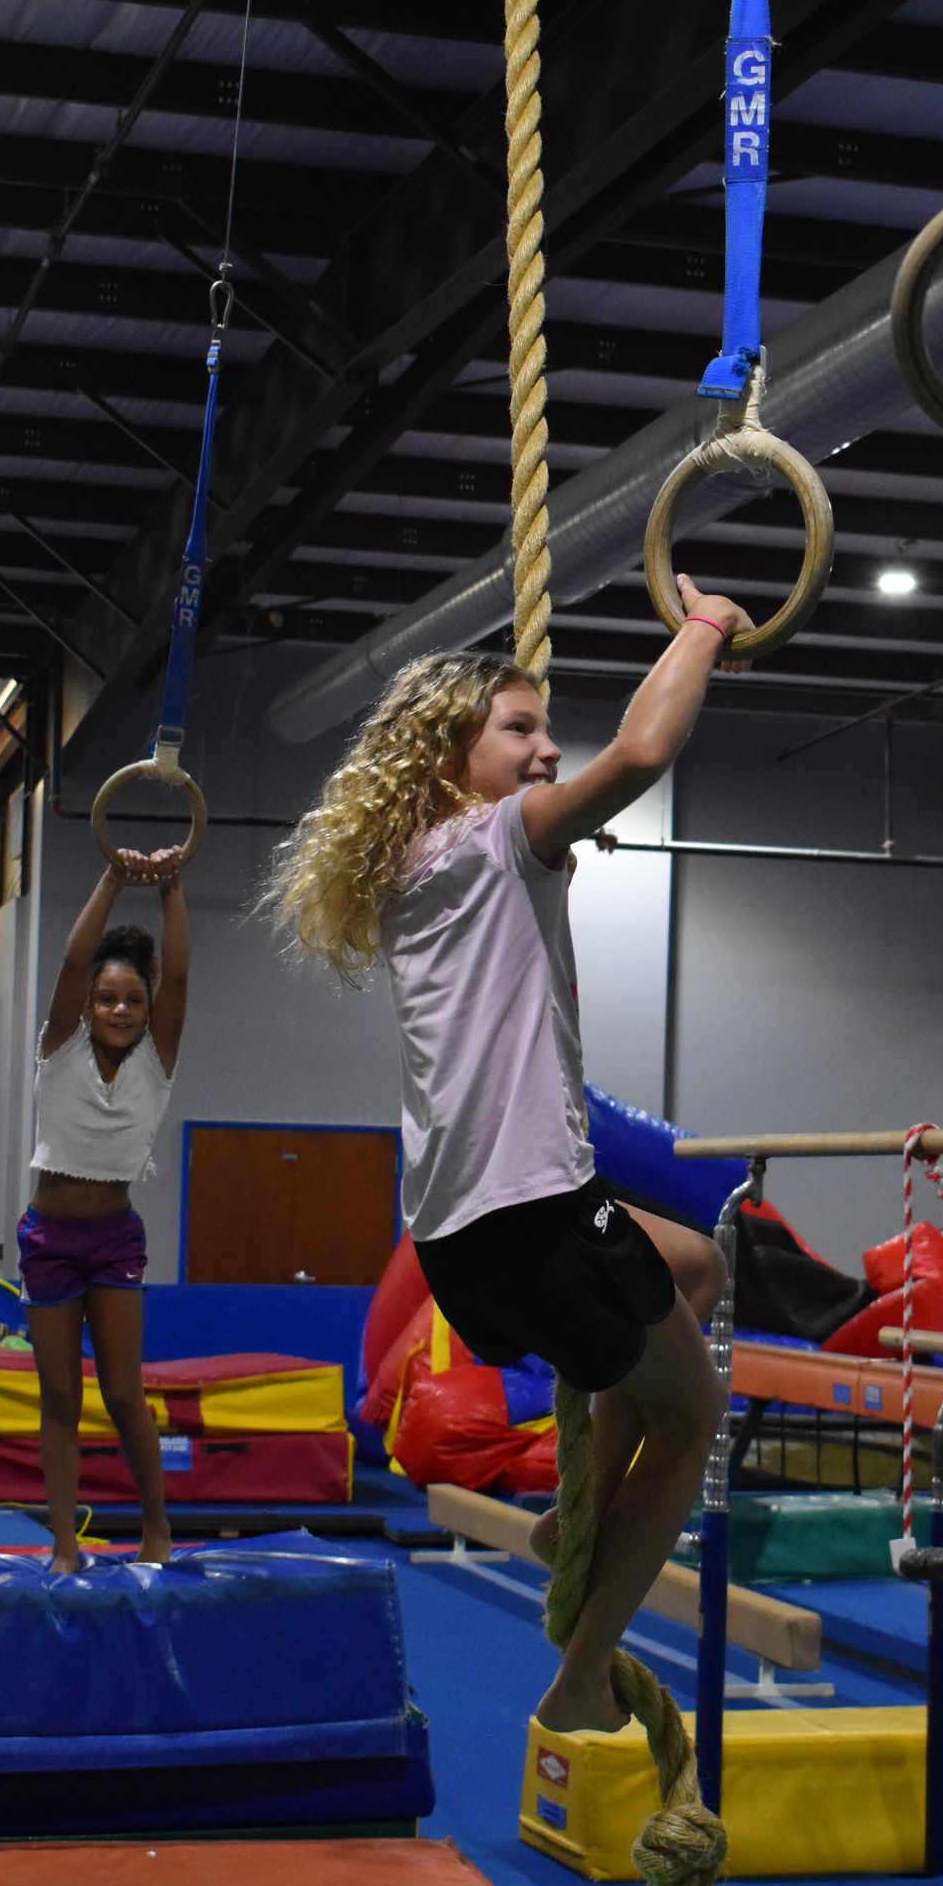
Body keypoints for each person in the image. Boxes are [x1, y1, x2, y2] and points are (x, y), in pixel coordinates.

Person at [268, 576, 751, 1736]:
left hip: (458, 1238)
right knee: (694, 1424)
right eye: (519, 730)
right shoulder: (490, 843)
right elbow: (639, 752)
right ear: (450, 757)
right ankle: (581, 1679)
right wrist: (705, 627)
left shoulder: (417, 869)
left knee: (695, 1263)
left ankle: (570, 1524)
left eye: (546, 729)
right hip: (534, 1214)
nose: (547, 750)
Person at [22, 851, 188, 1575]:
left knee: (124, 1392)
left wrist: (174, 890)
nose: (120, 1010)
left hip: (116, 1239)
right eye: (107, 999)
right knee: (59, 1394)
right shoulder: (59, 1053)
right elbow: (71, 960)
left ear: (148, 1011)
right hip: (50, 1240)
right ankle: (64, 1544)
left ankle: (156, 1528)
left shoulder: (157, 1060)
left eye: (132, 1000)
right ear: (87, 1007)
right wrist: (114, 878)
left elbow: (178, 974)